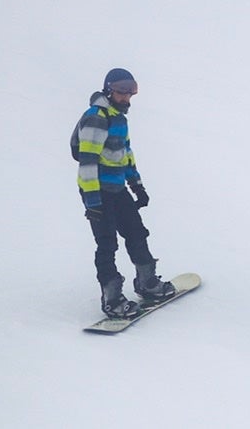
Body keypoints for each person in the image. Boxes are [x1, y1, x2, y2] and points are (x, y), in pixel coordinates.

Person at [71, 68, 176, 318]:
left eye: (130, 93)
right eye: (121, 93)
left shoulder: (119, 118)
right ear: (109, 90)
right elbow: (87, 161)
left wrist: (136, 185)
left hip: (117, 189)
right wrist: (93, 202)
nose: (126, 98)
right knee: (107, 243)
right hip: (98, 192)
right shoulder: (96, 118)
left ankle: (147, 283)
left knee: (137, 233)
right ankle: (112, 298)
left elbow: (125, 154)